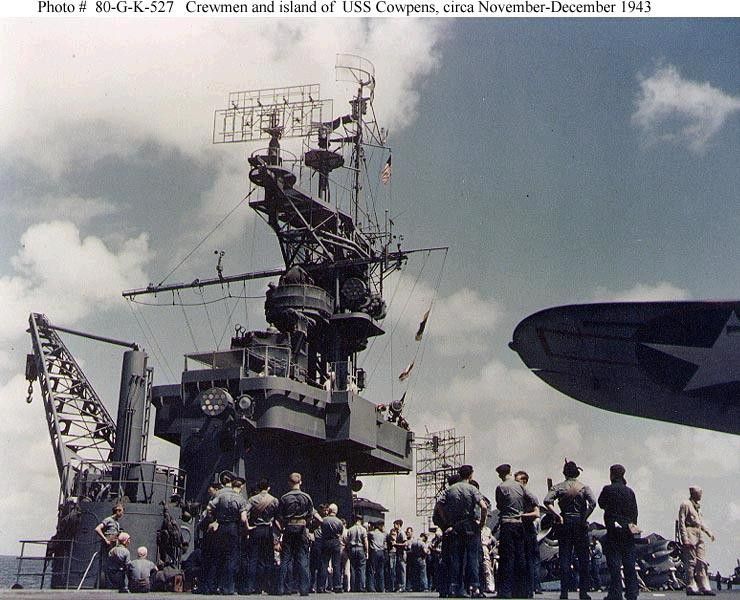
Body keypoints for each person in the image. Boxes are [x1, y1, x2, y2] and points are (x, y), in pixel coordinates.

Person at [544, 460, 596, 600]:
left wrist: (556, 515)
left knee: (565, 559)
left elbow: (547, 501)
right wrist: (584, 518)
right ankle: (583, 593)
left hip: (565, 522)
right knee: (584, 559)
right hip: (580, 524)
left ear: (565, 473)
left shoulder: (559, 487)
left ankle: (564, 593)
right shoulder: (584, 488)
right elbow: (593, 503)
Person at [437, 464, 488, 598]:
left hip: (456, 525)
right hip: (471, 524)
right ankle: (475, 587)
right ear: (471, 475)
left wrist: (447, 519)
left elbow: (439, 505)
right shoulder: (472, 488)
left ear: (459, 474)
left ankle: (456, 588)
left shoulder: (450, 490)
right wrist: (482, 523)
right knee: (473, 557)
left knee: (457, 558)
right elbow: (483, 507)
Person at [496, 464, 538, 598]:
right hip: (519, 524)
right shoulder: (520, 486)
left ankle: (506, 591)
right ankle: (522, 591)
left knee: (507, 558)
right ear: (510, 471)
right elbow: (533, 499)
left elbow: (499, 504)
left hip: (507, 523)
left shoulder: (501, 487)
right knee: (521, 557)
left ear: (500, 475)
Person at [597, 464, 639, 600]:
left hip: (613, 530)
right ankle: (632, 593)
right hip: (628, 529)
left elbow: (601, 503)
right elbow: (634, 512)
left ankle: (615, 593)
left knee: (614, 563)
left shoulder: (608, 489)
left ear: (612, 474)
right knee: (629, 563)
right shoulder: (630, 491)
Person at [277, 472, 322, 596]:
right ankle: (304, 589)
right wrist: (305, 523)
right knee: (302, 559)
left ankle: (282, 589)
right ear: (300, 482)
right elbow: (310, 514)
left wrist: (283, 527)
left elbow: (279, 516)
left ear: (289, 482)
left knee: (285, 559)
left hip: (289, 527)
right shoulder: (307, 497)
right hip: (302, 527)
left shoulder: (284, 498)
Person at [208, 470, 249, 595]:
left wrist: (214, 520)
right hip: (233, 528)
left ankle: (212, 587)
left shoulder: (220, 495)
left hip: (220, 527)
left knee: (217, 557)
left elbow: (209, 508)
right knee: (231, 559)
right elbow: (243, 518)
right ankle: (228, 588)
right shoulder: (241, 499)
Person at [678, 486, 716, 596]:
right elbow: (681, 522)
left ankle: (704, 586)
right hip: (690, 532)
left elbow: (700, 522)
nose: (701, 495)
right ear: (694, 493)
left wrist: (709, 533)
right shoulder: (685, 504)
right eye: (699, 493)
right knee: (691, 562)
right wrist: (684, 538)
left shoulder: (697, 507)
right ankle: (691, 585)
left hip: (698, 533)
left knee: (702, 561)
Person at [245, 477, 280, 594]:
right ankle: (268, 586)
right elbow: (277, 517)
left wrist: (247, 526)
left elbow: (245, 513)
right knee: (268, 558)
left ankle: (251, 586)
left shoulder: (252, 499)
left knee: (253, 558)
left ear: (258, 488)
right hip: (268, 530)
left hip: (256, 529)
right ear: (268, 488)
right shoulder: (274, 500)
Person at [515, 470, 543, 596]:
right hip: (521, 530)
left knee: (530, 560)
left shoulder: (529, 495)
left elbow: (536, 513)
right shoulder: (517, 495)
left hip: (528, 531)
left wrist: (522, 516)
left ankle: (532, 587)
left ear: (524, 481)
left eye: (517, 480)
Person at [346, 514, 368, 591]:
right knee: (361, 568)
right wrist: (366, 551)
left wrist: (348, 550)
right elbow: (365, 542)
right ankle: (361, 587)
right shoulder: (363, 529)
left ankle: (353, 587)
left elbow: (348, 542)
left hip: (352, 548)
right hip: (360, 548)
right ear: (360, 520)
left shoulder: (350, 529)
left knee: (353, 568)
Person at [368, 523, 386, 592]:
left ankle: (371, 587)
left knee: (372, 570)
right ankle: (381, 587)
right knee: (380, 570)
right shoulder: (383, 535)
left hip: (374, 552)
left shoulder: (371, 533)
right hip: (381, 552)